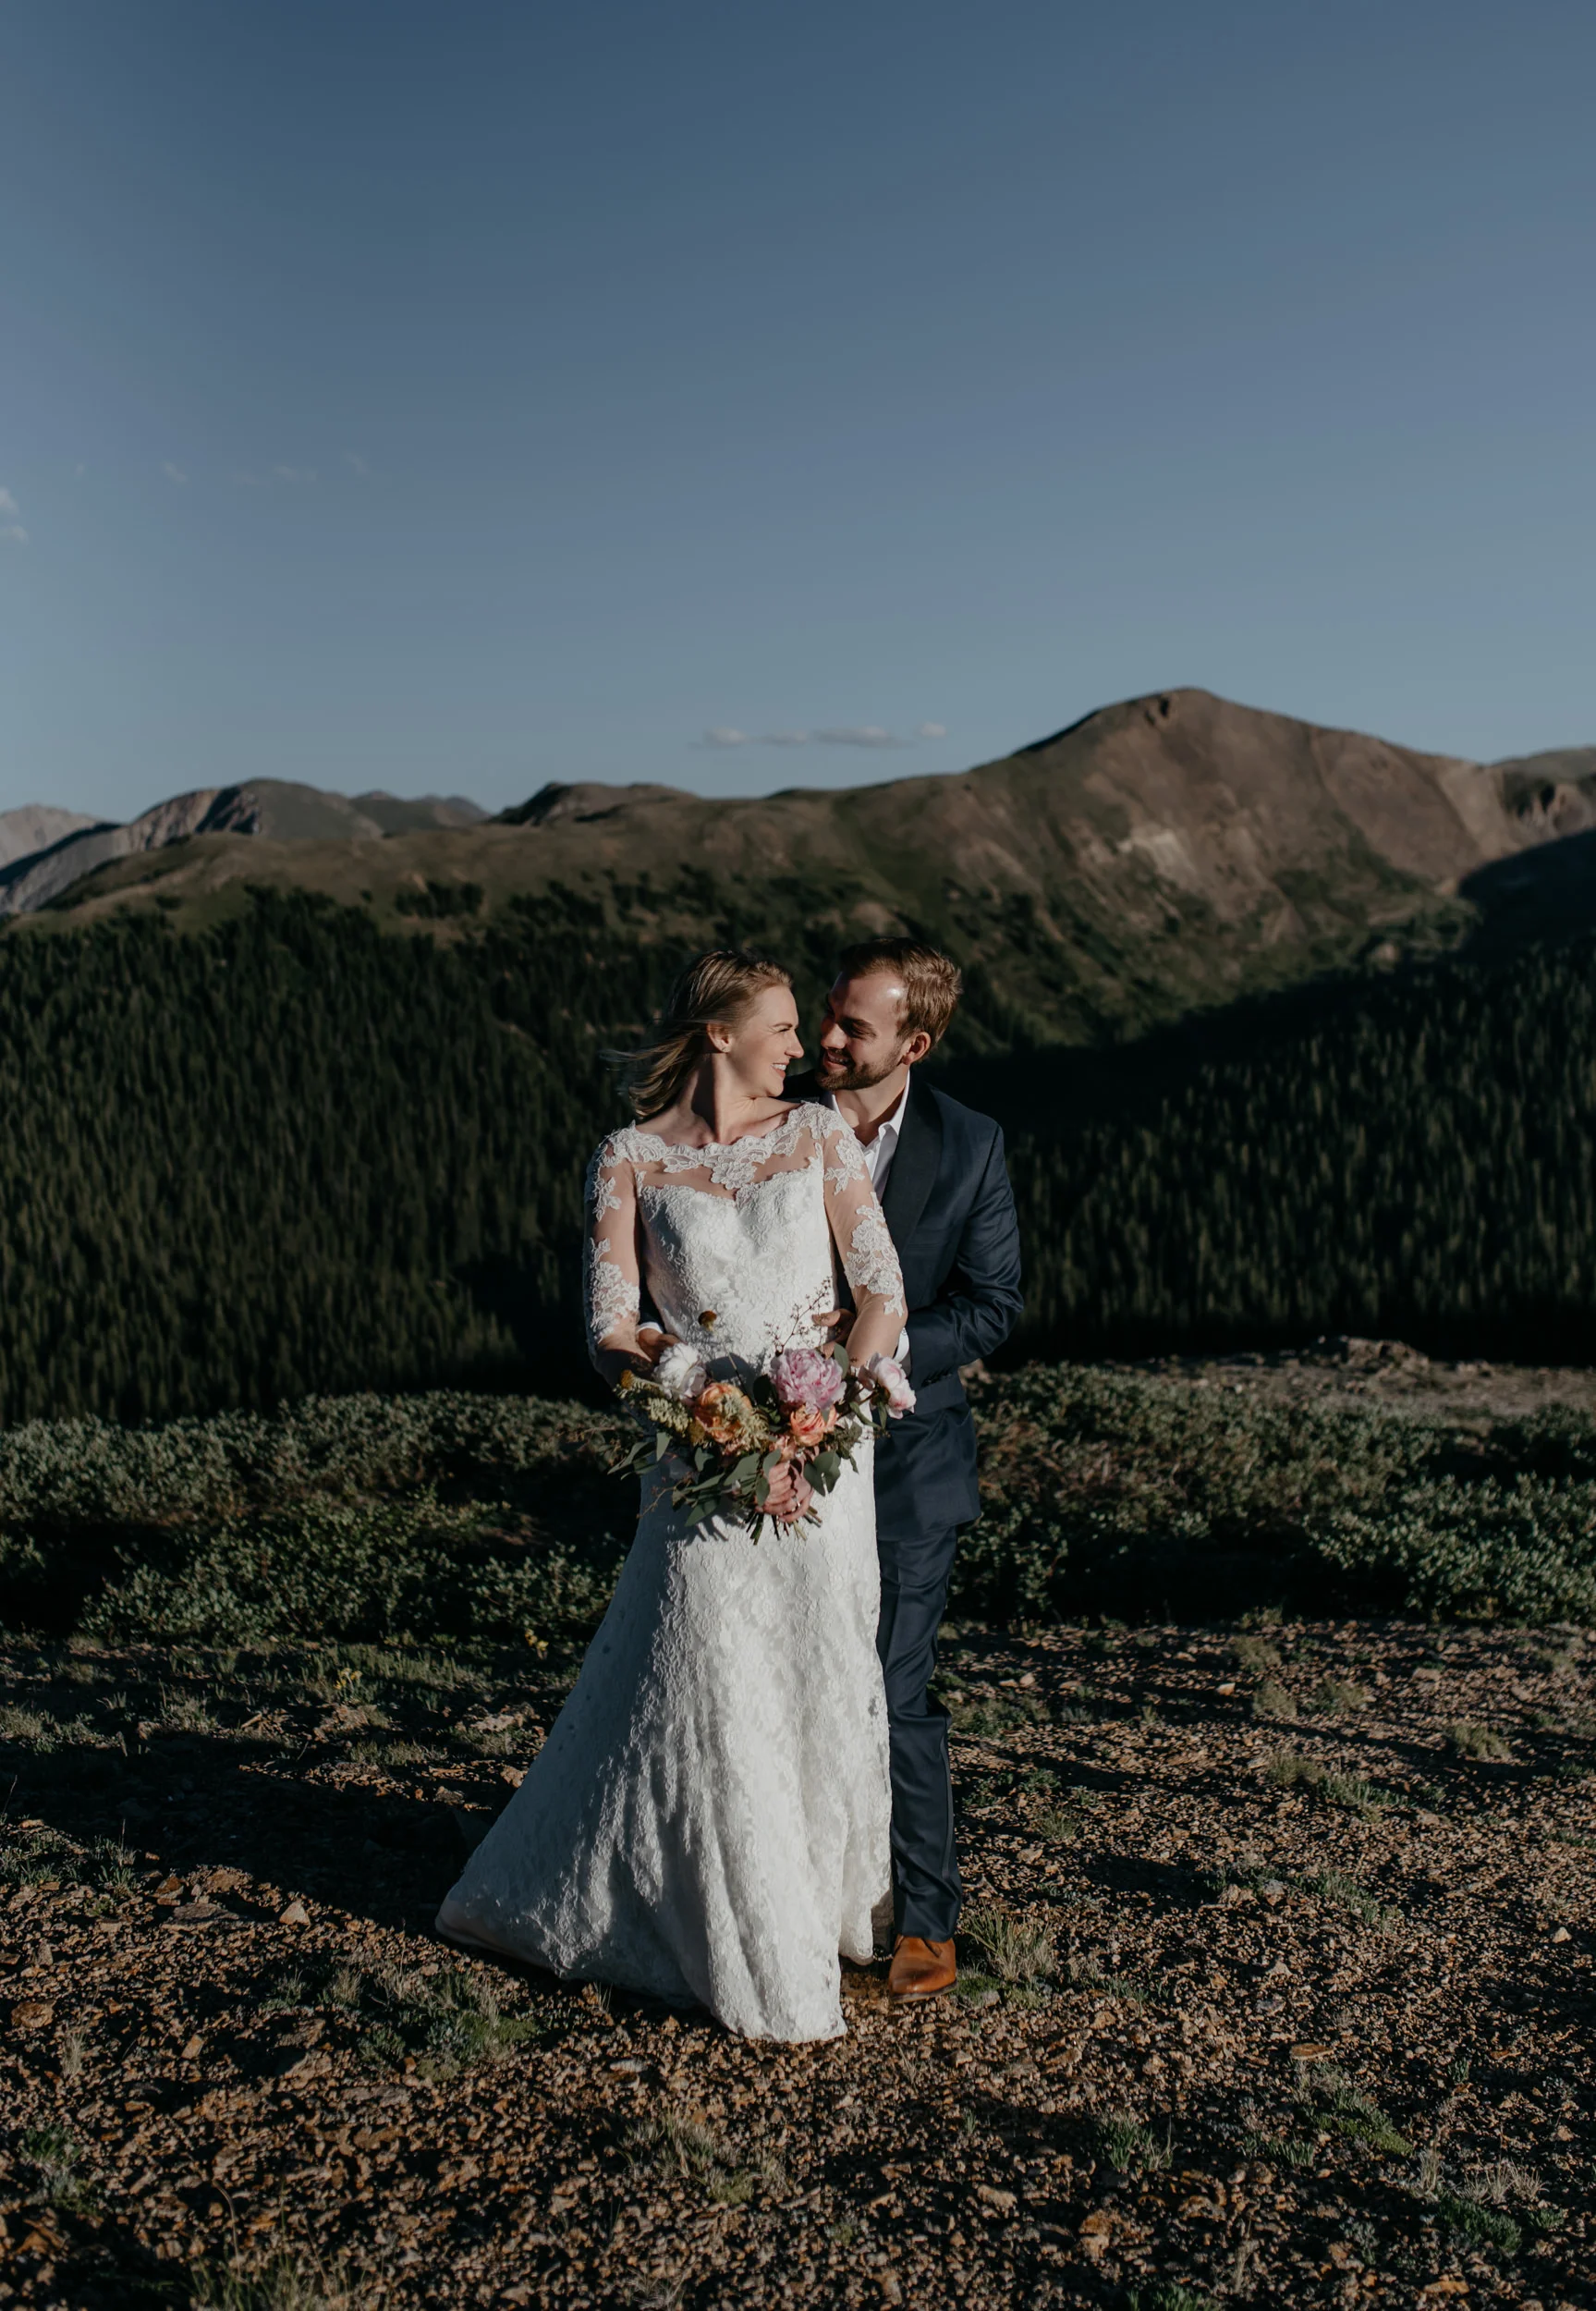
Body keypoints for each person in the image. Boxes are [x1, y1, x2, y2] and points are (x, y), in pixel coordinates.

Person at [436, 950, 907, 2042]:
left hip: (823, 1456)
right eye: (781, 1027)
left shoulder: (816, 1135)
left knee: (814, 1666)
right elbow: (610, 1331)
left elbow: (879, 1292)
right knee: (705, 1673)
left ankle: (817, 1905)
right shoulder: (629, 1157)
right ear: (719, 1036)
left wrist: (815, 1419)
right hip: (698, 1462)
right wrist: (698, 1407)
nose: (801, 1046)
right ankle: (735, 1930)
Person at [794, 939, 1022, 2000]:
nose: (826, 1038)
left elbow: (991, 1304)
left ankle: (926, 1918)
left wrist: (872, 1355)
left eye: (854, 1026)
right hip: (776, 1447)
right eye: (826, 1015)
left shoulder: (969, 1142)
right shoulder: (772, 1118)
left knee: (893, 1685)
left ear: (914, 1044)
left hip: (910, 1460)